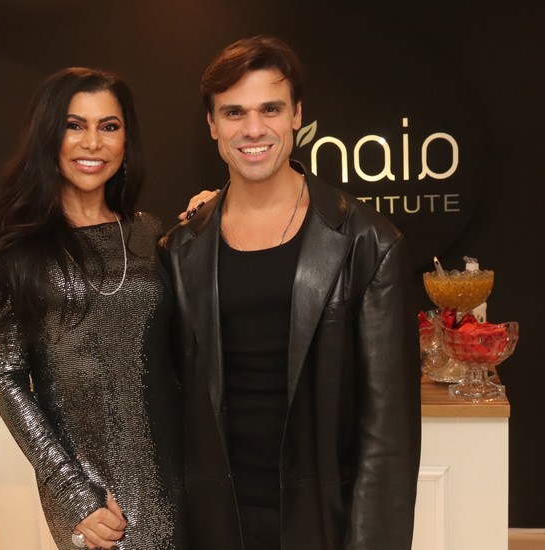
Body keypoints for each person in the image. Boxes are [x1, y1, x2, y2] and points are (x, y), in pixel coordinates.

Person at [159, 36, 421, 550]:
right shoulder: (180, 248)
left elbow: (388, 436)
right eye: (234, 112)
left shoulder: (369, 243)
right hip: (212, 523)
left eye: (270, 109)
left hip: (322, 523)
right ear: (212, 124)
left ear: (297, 114)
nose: (253, 129)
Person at [0, 67, 187, 550]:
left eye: (109, 126)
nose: (92, 143)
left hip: (181, 469)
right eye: (74, 125)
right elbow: (6, 379)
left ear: (126, 140)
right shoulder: (3, 246)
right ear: (47, 134)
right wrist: (72, 492)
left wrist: (210, 217)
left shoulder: (148, 232)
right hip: (96, 494)